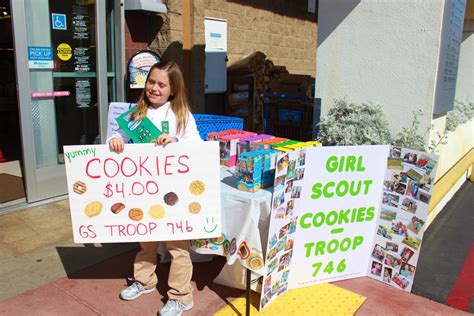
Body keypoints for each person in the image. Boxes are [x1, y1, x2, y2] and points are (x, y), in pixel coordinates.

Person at [107, 61, 202, 316]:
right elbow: (117, 136)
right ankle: (145, 281)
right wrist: (114, 140)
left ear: (173, 90)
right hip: (144, 191)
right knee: (146, 240)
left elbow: (198, 147)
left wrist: (177, 140)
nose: (154, 88)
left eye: (161, 84)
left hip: (176, 194)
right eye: (151, 81)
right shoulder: (135, 113)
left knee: (178, 247)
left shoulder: (181, 115)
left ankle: (181, 297)